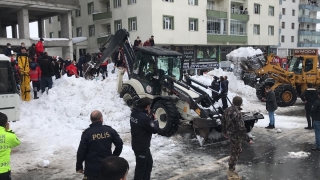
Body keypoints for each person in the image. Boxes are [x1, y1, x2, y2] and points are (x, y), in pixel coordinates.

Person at [76, 110, 123, 179]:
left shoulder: (87, 133)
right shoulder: (109, 130)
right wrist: (113, 157)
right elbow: (119, 144)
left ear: (91, 120)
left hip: (92, 169)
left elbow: (81, 151)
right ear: (101, 118)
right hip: (107, 167)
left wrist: (79, 166)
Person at [221, 96, 253, 179]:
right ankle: (231, 168)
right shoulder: (237, 113)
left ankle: (231, 165)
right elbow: (241, 128)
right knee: (236, 151)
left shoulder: (227, 110)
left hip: (230, 133)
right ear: (240, 103)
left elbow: (223, 121)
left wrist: (224, 131)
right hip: (236, 135)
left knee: (235, 150)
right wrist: (248, 139)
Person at [130, 97, 159, 180]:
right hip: (141, 146)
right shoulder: (145, 118)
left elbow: (142, 123)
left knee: (149, 163)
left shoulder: (134, 113)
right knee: (141, 168)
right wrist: (155, 120)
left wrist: (148, 115)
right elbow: (155, 129)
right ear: (147, 106)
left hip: (139, 144)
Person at [0, 112, 21, 180]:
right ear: (6, 124)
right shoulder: (9, 136)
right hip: (4, 171)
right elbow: (17, 141)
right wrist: (8, 130)